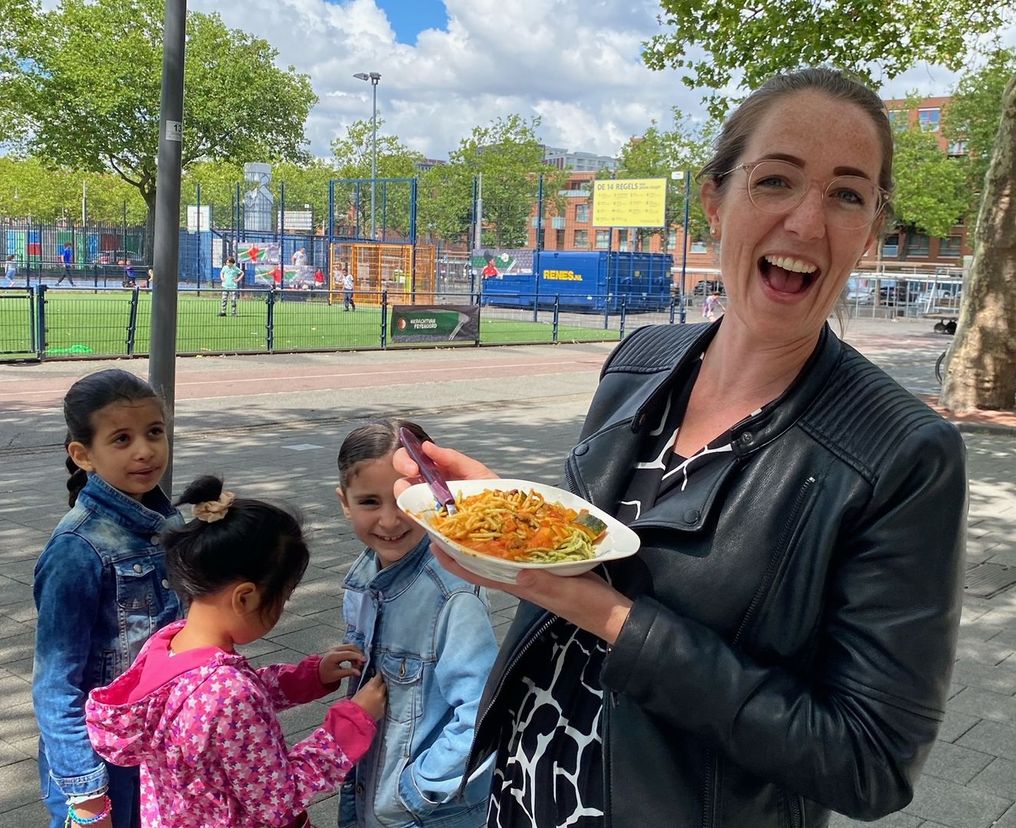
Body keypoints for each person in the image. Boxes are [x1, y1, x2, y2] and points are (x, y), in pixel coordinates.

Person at [395, 68, 968, 827]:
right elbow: (595, 549)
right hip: (524, 790)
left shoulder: (902, 453)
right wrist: (505, 517)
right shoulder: (641, 360)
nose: (804, 221)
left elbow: (869, 762)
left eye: (847, 195)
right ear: (714, 200)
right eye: (776, 181)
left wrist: (610, 618)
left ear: (869, 232)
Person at [86, 475, 388, 828]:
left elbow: (225, 709)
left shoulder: (170, 643)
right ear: (245, 597)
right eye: (283, 598)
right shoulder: (229, 693)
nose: (282, 609)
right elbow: (279, 798)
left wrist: (310, 676)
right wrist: (352, 721)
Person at [32, 369, 184, 828]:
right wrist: (86, 793)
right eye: (121, 439)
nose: (145, 450)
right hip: (103, 764)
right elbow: (56, 683)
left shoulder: (165, 523)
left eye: (154, 432)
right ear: (83, 455)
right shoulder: (78, 550)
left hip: (159, 743)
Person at [335, 420, 497, 828]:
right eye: (370, 502)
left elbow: (483, 709)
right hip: (370, 790)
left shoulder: (453, 594)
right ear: (344, 502)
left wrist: (417, 789)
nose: (390, 521)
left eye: (404, 500)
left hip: (422, 814)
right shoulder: (363, 576)